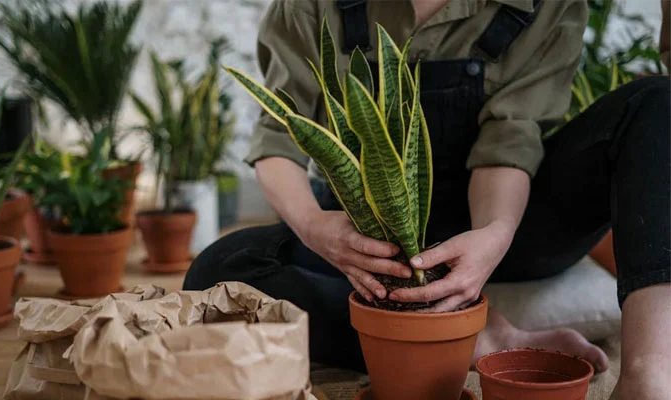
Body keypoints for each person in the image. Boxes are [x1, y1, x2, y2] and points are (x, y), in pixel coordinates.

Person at [184, 1, 671, 398]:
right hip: (376, 245)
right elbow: (279, 140)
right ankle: (478, 337)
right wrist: (317, 228)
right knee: (219, 268)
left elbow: (509, 141)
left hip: (512, 225)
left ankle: (649, 374)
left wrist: (494, 235)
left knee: (657, 104)